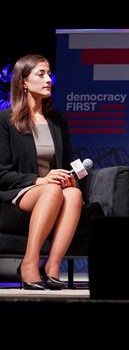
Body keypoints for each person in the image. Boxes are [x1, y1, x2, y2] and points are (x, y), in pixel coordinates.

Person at [0, 54, 82, 290]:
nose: (49, 79)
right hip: (19, 190)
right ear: (24, 82)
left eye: (49, 74)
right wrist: (40, 179)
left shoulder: (57, 121)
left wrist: (70, 177)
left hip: (52, 189)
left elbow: (66, 162)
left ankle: (52, 266)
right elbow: (2, 173)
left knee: (73, 194)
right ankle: (29, 262)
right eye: (41, 74)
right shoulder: (6, 120)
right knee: (51, 190)